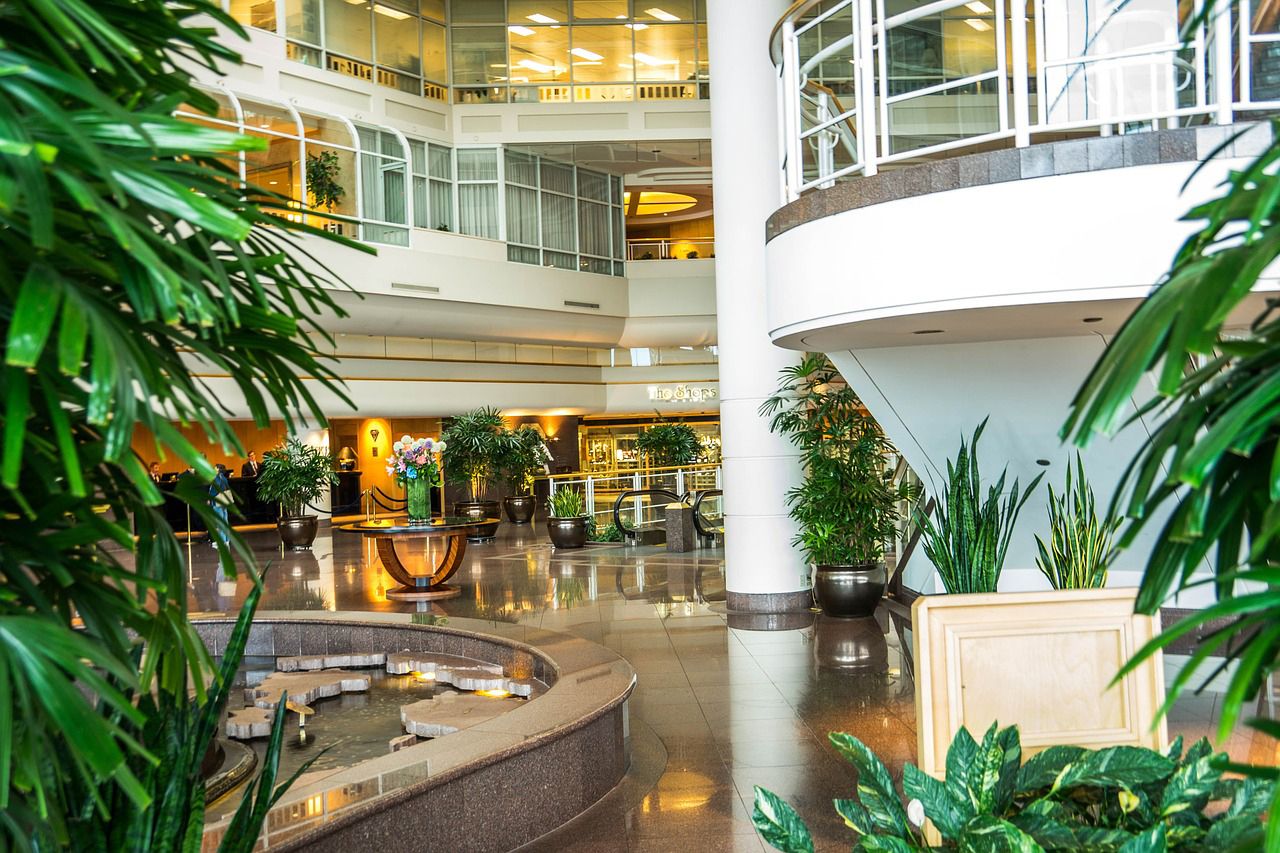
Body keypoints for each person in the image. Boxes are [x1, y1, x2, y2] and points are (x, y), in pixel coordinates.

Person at [209, 464, 232, 547]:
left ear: (218, 469)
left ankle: (222, 542)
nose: (213, 468)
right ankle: (226, 540)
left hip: (217, 502)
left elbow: (215, 490)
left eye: (215, 467)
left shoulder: (217, 478)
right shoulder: (224, 478)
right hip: (224, 502)